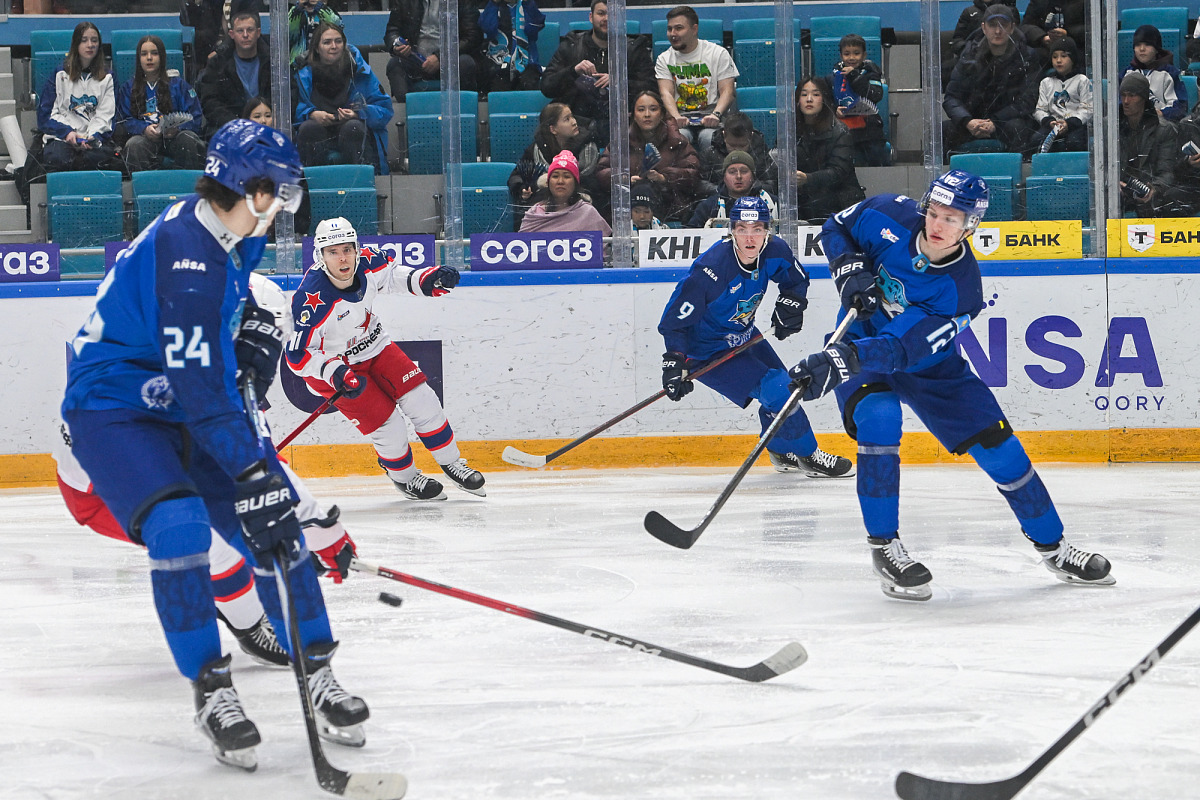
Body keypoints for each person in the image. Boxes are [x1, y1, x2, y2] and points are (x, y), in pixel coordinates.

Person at [61, 119, 369, 771]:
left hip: (182, 397)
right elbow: (199, 386)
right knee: (178, 526)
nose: (285, 205)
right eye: (281, 191)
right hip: (114, 407)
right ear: (252, 190)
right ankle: (211, 691)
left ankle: (318, 671)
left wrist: (252, 339)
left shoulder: (235, 234)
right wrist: (251, 472)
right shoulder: (188, 259)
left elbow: (217, 356)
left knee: (274, 526)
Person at [786, 169, 1115, 601]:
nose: (938, 225)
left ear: (970, 225)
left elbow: (903, 348)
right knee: (880, 419)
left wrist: (843, 361)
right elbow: (837, 226)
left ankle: (1055, 548)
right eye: (935, 212)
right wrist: (848, 269)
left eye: (952, 219)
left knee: (1002, 450)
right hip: (861, 341)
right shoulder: (888, 213)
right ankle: (885, 547)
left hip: (926, 365)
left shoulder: (961, 290)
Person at [53, 417, 291, 668]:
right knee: (207, 538)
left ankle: (233, 595)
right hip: (100, 498)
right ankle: (250, 627)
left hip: (146, 463)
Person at [285, 217, 486, 501]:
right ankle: (405, 479)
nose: (342, 258)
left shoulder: (367, 261)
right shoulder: (310, 299)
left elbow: (391, 276)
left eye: (347, 249)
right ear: (321, 256)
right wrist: (333, 372)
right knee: (388, 425)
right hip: (336, 370)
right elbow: (297, 356)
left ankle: (452, 463)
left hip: (375, 347)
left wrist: (426, 279)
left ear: (356, 248)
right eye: (333, 252)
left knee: (423, 400)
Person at [658, 196, 854, 478]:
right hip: (705, 351)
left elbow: (796, 280)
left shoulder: (775, 251)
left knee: (785, 390)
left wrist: (790, 306)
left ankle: (780, 451)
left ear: (767, 231)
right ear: (731, 231)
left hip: (745, 336)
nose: (750, 238)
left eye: (757, 229)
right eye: (742, 229)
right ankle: (810, 456)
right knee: (779, 390)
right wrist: (674, 361)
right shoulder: (711, 271)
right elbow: (674, 322)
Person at [539, 0, 655, 146]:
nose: (606, 18)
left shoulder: (634, 48)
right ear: (591, 17)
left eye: (612, 14)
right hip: (576, 127)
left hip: (622, 127)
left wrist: (619, 81)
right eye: (601, 13)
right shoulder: (571, 45)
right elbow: (547, 87)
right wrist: (573, 71)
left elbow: (651, 88)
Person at [294, 22, 393, 175]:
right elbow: (291, 111)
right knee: (309, 128)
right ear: (317, 48)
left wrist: (359, 113)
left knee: (353, 127)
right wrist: (311, 114)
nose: (334, 46)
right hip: (318, 134)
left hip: (352, 133)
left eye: (338, 41)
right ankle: (311, 187)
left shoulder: (360, 70)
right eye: (327, 42)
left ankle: (361, 184)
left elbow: (385, 110)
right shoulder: (302, 74)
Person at [942, 4, 1040, 157]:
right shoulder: (968, 56)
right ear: (983, 27)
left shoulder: (1027, 56)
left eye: (1003, 25)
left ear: (1012, 28)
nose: (998, 31)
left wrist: (995, 122)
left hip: (1006, 122)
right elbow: (951, 97)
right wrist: (967, 121)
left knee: (1019, 128)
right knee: (942, 130)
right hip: (973, 122)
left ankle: (1018, 172)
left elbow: (1028, 100)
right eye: (992, 25)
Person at [595, 90, 701, 223]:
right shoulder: (621, 142)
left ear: (662, 113)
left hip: (669, 209)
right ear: (633, 115)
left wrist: (664, 178)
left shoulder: (677, 141)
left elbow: (693, 173)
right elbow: (602, 172)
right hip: (627, 211)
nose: (647, 115)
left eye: (653, 109)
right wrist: (625, 178)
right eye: (641, 110)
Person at [115, 35, 207, 175]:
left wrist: (178, 129)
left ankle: (187, 185)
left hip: (175, 139)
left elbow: (195, 117)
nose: (149, 58)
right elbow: (124, 120)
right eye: (144, 54)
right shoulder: (128, 88)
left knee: (188, 139)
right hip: (145, 139)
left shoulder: (179, 85)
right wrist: (144, 129)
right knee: (134, 145)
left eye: (154, 53)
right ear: (139, 59)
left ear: (162, 57)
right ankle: (144, 187)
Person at [36, 22, 119, 174]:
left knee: (99, 159)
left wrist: (91, 136)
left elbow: (106, 115)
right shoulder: (60, 74)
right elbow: (46, 115)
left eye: (94, 40)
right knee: (57, 159)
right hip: (62, 137)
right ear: (76, 44)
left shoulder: (108, 77)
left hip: (93, 139)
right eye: (84, 40)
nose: (90, 45)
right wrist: (68, 133)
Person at [654, 5, 738, 152]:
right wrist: (675, 117)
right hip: (681, 117)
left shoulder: (718, 53)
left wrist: (716, 114)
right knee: (679, 138)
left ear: (694, 29)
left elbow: (728, 92)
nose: (673, 34)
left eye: (679, 28)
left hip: (712, 116)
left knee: (708, 138)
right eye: (669, 29)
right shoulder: (664, 59)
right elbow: (665, 93)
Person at [507, 103, 600, 225]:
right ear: (553, 129)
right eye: (567, 119)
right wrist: (523, 188)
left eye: (572, 117)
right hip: (545, 203)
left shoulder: (587, 146)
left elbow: (594, 183)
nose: (574, 122)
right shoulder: (536, 149)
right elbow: (517, 176)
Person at [795, 76, 865, 225]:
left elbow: (839, 172)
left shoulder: (840, 131)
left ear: (824, 99)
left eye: (816, 94)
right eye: (804, 94)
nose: (809, 99)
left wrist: (808, 179)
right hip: (803, 201)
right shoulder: (789, 132)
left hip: (838, 201)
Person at [383, 0, 483, 100]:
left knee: (466, 63)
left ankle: (464, 107)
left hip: (451, 62)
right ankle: (406, 107)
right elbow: (392, 30)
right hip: (415, 60)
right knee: (395, 64)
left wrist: (441, 57)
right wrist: (396, 45)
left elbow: (473, 37)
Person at [197, 11, 273, 137]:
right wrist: (236, 124)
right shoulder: (217, 63)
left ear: (258, 32)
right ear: (231, 34)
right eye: (240, 31)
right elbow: (210, 102)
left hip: (268, 123)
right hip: (229, 125)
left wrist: (268, 118)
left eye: (250, 30)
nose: (245, 35)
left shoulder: (273, 60)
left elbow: (289, 94)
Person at [1118, 72, 1176, 218]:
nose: (1126, 101)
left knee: (1162, 201)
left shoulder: (1164, 130)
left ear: (1143, 98)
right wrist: (1112, 182)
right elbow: (1098, 166)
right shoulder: (1109, 126)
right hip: (1119, 190)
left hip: (1148, 190)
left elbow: (1166, 171)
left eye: (1132, 96)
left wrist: (1154, 189)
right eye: (1123, 95)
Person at [519, 150, 612, 235]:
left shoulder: (588, 213)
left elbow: (601, 245)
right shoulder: (534, 213)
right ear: (548, 182)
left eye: (566, 176)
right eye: (555, 176)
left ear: (575, 183)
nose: (560, 181)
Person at [831, 33, 890, 167]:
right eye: (847, 54)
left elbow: (875, 95)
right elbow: (827, 98)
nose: (851, 57)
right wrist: (834, 109)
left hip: (869, 129)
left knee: (875, 151)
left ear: (864, 55)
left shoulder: (871, 72)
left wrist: (854, 76)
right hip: (843, 126)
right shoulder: (835, 75)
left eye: (856, 53)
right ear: (841, 56)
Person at [1029, 35, 1091, 154]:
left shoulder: (1082, 80)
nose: (1058, 60)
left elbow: (1087, 108)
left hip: (1075, 126)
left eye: (1063, 56)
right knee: (1036, 140)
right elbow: (1040, 109)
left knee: (1074, 142)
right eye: (1054, 56)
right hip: (1052, 126)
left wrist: (1070, 123)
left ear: (1072, 58)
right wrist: (1049, 122)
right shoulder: (1046, 82)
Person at [178, 0, 267, 79]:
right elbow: (187, 21)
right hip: (209, 51)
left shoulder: (244, 2)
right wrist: (191, 2)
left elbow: (245, 32)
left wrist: (219, 51)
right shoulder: (211, 2)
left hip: (235, 51)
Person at [688, 149, 776, 228]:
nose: (738, 176)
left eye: (744, 171)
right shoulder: (708, 206)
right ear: (724, 177)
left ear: (753, 176)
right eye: (732, 172)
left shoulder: (773, 203)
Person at [697, 111, 776, 196]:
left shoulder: (761, 154)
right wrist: (726, 191)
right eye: (732, 145)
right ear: (724, 135)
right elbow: (701, 184)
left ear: (751, 137)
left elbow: (772, 184)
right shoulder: (711, 154)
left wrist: (748, 188)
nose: (737, 150)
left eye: (742, 146)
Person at [1121, 24, 1188, 122]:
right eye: (1138, 45)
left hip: (1161, 123)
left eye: (1147, 44)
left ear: (1157, 49)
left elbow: (1181, 106)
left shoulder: (1170, 73)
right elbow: (1117, 102)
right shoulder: (1126, 74)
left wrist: (1161, 114)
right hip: (1131, 123)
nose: (1142, 49)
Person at [480, 0, 547, 93]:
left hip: (528, 63)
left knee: (528, 85)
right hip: (498, 63)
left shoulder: (527, 5)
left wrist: (528, 4)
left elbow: (532, 30)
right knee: (498, 88)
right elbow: (488, 29)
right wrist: (493, 3)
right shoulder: (494, 7)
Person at [289, 0, 344, 69]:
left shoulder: (328, 12)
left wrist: (320, 8)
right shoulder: (296, 13)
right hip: (300, 66)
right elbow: (288, 33)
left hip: (326, 66)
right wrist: (298, 9)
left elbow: (335, 29)